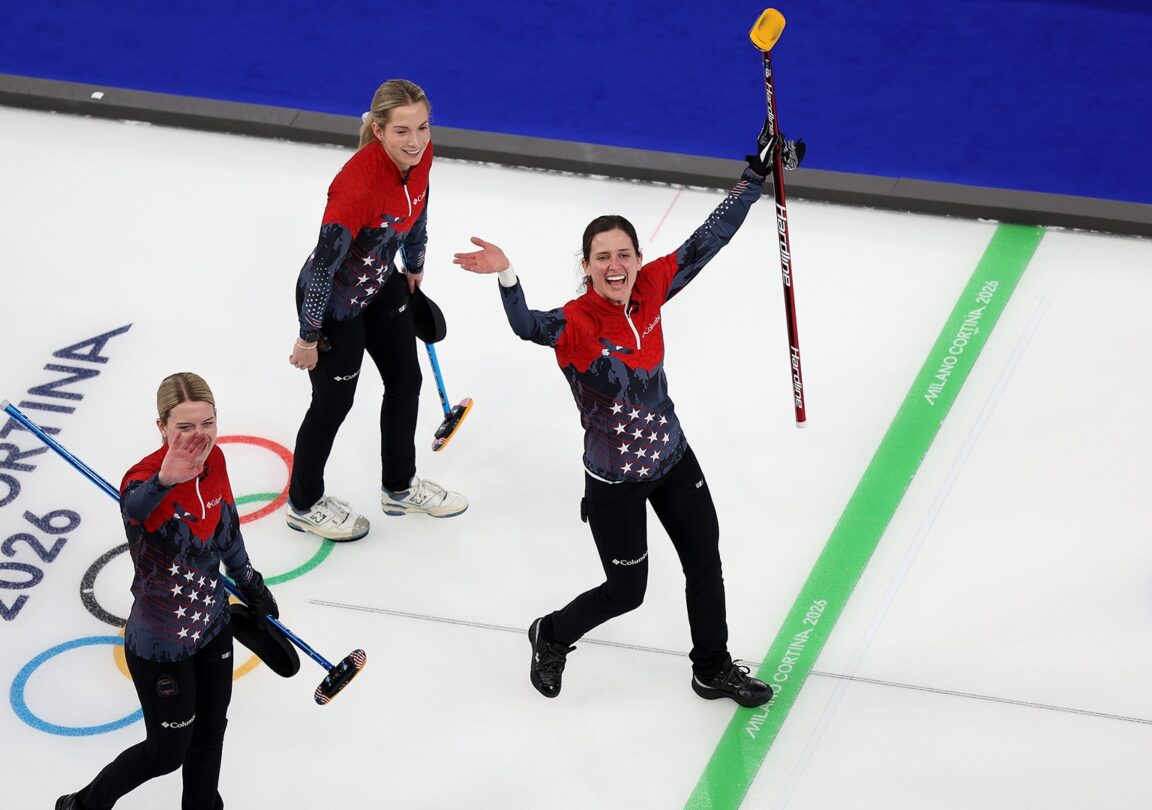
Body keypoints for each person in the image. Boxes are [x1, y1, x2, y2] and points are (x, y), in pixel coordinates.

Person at [452, 129, 805, 707]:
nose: (615, 265)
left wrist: (755, 179)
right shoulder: (574, 323)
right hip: (614, 481)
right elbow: (524, 326)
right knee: (626, 591)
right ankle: (552, 633)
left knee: (705, 565)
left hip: (672, 460)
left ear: (638, 260)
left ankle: (712, 668)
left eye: (624, 254)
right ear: (586, 267)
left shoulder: (652, 288)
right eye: (602, 257)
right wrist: (508, 274)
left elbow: (707, 240)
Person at [57, 372, 279, 810]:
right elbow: (134, 508)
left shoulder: (216, 464)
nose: (199, 437)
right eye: (184, 427)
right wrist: (165, 478)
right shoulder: (140, 480)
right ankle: (82, 805)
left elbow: (227, 530)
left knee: (212, 732)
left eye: (208, 423)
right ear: (161, 427)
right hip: (161, 644)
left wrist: (251, 582)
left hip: (213, 625)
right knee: (166, 754)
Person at [285, 78, 467, 542]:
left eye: (423, 127)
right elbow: (324, 268)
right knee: (332, 405)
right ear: (380, 130)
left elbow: (420, 209)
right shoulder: (354, 188)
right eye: (403, 131)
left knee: (406, 380)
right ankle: (303, 504)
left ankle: (400, 487)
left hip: (382, 281)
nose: (416, 140)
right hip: (333, 307)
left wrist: (414, 265)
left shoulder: (421, 154)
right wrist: (309, 336)